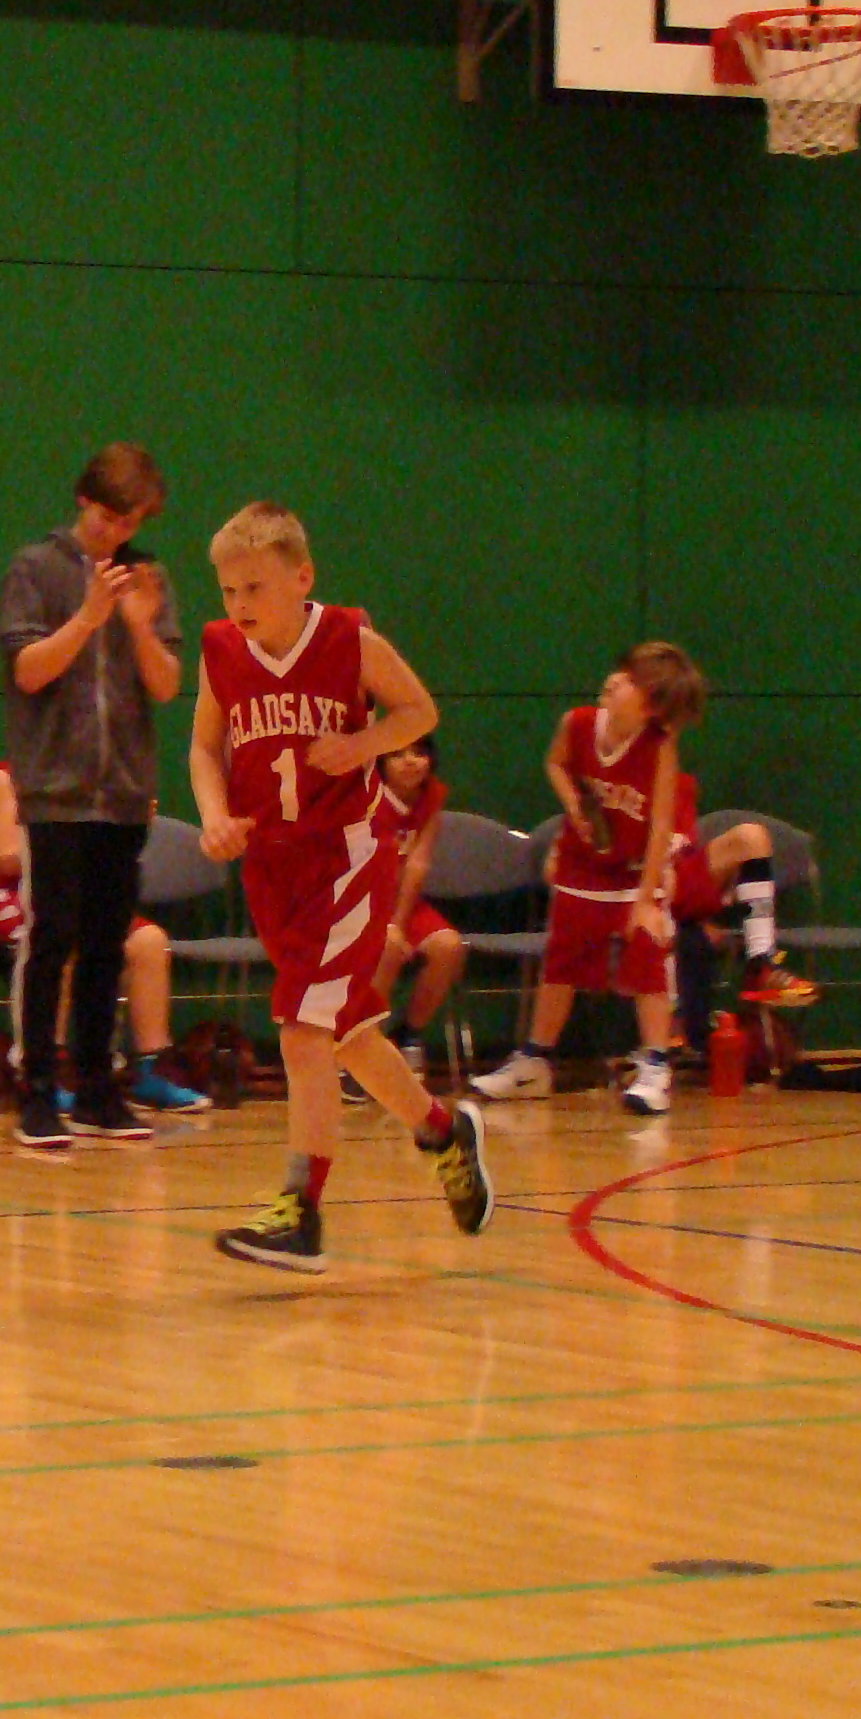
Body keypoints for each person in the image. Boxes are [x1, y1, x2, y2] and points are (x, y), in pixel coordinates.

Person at [190, 504, 492, 1272]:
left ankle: (302, 1211)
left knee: (302, 1031)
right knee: (348, 1036)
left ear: (302, 577)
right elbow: (203, 747)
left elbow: (418, 711)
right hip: (271, 866)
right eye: (228, 590)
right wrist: (214, 813)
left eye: (254, 588)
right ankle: (443, 1131)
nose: (239, 604)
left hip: (347, 857)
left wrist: (363, 744)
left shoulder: (348, 638)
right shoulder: (221, 650)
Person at [466, 642, 811, 1118]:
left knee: (649, 956)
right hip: (584, 865)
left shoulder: (658, 750)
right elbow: (555, 763)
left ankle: (655, 1065)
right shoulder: (578, 723)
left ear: (650, 707)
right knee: (560, 964)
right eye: (620, 672)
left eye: (629, 680)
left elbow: (661, 829)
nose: (614, 680)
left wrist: (648, 898)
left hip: (633, 870)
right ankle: (533, 1061)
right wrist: (573, 803)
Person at [0, 442, 183, 1151]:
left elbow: (165, 685)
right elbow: (29, 671)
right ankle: (40, 1091)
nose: (116, 533)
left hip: (124, 791)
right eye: (108, 517)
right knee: (53, 940)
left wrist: (136, 623)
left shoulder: (148, 577)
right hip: (56, 790)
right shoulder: (35, 567)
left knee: (108, 943)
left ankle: (101, 1090)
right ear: (83, 500)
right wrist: (88, 617)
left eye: (129, 522)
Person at [0, 761, 207, 1113]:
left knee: (149, 940)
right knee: (63, 942)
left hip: (79, 896)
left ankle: (150, 1069)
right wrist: (74, 841)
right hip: (16, 895)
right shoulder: (6, 778)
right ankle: (49, 1070)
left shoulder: (96, 780)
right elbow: (6, 858)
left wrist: (127, 828)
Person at [366, 736, 466, 1087]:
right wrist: (388, 925)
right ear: (381, 762)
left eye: (419, 754)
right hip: (360, 901)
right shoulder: (366, 797)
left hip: (402, 903)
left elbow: (418, 863)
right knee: (388, 948)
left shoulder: (432, 795)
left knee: (449, 947)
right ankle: (363, 1047)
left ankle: (408, 1034)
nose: (410, 761)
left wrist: (398, 920)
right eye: (398, 754)